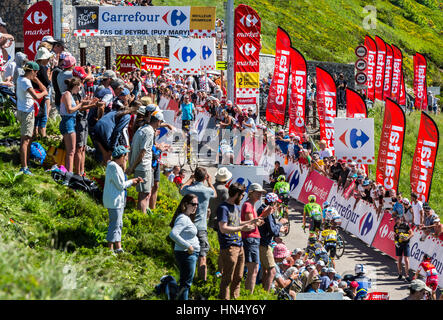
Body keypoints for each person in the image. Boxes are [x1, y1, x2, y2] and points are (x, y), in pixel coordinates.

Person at [217, 182, 257, 300]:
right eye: (242, 195)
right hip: (229, 246)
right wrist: (241, 228)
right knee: (227, 278)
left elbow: (237, 222)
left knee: (239, 276)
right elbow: (223, 228)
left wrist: (253, 221)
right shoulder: (223, 208)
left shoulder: (236, 207)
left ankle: (235, 298)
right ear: (237, 194)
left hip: (239, 246)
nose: (242, 198)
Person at [103, 146, 143, 254]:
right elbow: (120, 185)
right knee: (114, 224)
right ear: (121, 156)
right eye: (125, 156)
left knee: (118, 223)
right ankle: (110, 249)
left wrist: (131, 181)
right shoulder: (113, 167)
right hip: (113, 201)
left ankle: (118, 246)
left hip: (118, 201)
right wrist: (132, 182)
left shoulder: (116, 167)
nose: (126, 158)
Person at [180, 167, 217, 282]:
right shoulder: (207, 191)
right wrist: (210, 182)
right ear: (205, 177)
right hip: (201, 227)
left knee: (188, 254)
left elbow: (181, 189)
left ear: (195, 176)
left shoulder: (190, 189)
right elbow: (214, 194)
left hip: (188, 226)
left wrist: (189, 180)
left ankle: (187, 279)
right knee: (202, 256)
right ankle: (202, 281)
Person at [59, 77, 98, 182]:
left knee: (71, 150)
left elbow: (76, 107)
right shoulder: (67, 94)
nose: (80, 89)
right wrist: (81, 104)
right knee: (71, 151)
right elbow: (70, 110)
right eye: (79, 87)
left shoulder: (70, 95)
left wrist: (88, 102)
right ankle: (69, 174)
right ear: (75, 86)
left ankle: (70, 174)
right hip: (68, 122)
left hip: (71, 122)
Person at [127, 110, 163, 214]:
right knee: (143, 194)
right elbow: (143, 151)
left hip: (142, 166)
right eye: (160, 123)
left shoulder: (143, 129)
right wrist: (132, 167)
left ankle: (143, 214)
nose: (160, 125)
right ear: (157, 121)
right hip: (143, 166)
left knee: (145, 193)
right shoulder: (149, 132)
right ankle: (141, 218)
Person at [16, 61, 48, 175]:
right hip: (27, 113)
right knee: (25, 140)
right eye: (36, 73)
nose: (37, 75)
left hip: (22, 111)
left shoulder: (21, 79)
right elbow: (36, 95)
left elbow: (42, 86)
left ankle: (26, 163)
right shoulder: (26, 82)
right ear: (32, 71)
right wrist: (44, 93)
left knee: (28, 138)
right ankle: (24, 167)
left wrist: (36, 80)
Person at [169, 194, 200, 300]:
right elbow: (173, 234)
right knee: (186, 284)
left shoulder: (186, 218)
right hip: (186, 254)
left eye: (197, 204)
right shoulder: (183, 218)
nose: (196, 206)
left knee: (185, 283)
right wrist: (189, 246)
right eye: (193, 204)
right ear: (185, 204)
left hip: (188, 254)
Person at [257, 193, 287, 292]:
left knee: (266, 270)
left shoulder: (263, 209)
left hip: (262, 242)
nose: (277, 206)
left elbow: (272, 229)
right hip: (264, 244)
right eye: (276, 203)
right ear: (273, 202)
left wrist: (279, 229)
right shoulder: (268, 211)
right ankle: (266, 294)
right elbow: (273, 231)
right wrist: (280, 223)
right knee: (272, 271)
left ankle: (263, 291)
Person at [241, 183, 266, 294]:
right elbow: (251, 224)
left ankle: (248, 294)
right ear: (251, 193)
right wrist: (261, 218)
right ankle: (248, 295)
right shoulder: (248, 205)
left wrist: (259, 220)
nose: (260, 194)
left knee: (254, 269)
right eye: (258, 192)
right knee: (253, 269)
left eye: (261, 193)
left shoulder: (250, 205)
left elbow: (254, 222)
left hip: (253, 238)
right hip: (251, 238)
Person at [394, 215, 414, 282]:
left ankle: (407, 275)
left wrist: (407, 238)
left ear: (400, 219)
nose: (396, 220)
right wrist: (396, 242)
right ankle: (400, 274)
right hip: (399, 244)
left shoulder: (406, 225)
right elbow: (395, 235)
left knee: (406, 259)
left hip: (406, 244)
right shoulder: (395, 226)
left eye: (397, 219)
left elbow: (412, 233)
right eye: (395, 219)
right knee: (399, 259)